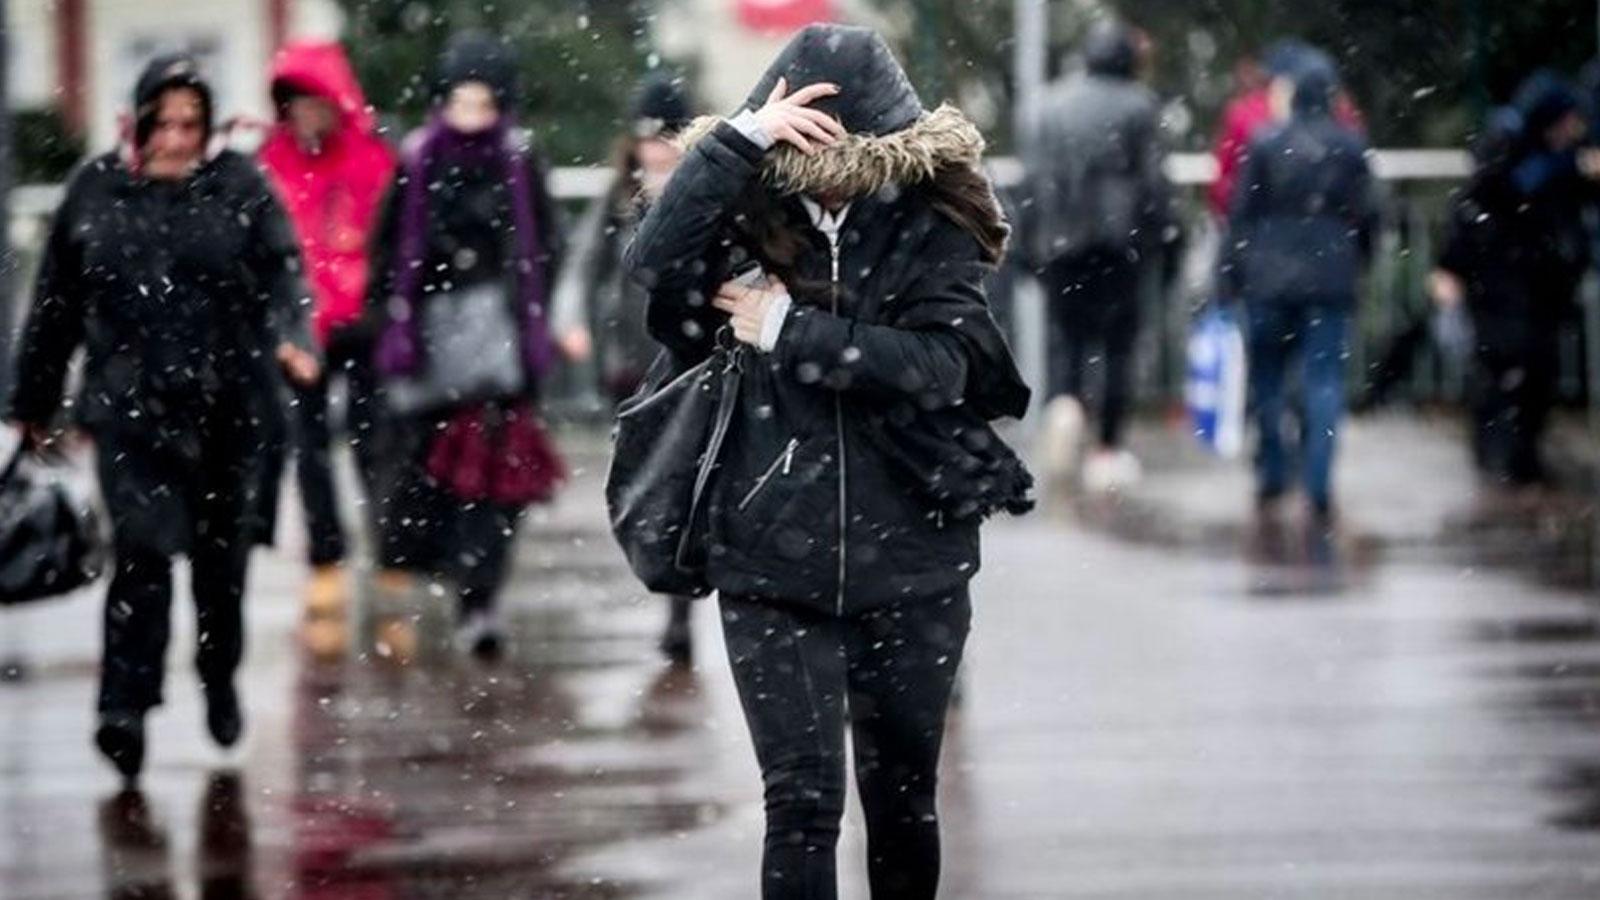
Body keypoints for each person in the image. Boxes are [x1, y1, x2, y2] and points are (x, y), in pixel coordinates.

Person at [623, 24, 1032, 899]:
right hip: (770, 553)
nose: (835, 176)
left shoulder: (931, 219)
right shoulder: (744, 207)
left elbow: (939, 366)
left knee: (901, 804)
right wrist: (739, 141)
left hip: (915, 551)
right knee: (802, 807)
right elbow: (651, 264)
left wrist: (792, 332)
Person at [5, 54, 320, 782]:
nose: (177, 139)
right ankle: (124, 707)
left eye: (191, 123)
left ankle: (218, 675)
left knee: (221, 568)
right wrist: (28, 404)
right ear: (139, 122)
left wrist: (294, 339)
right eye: (164, 123)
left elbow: (284, 274)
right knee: (141, 560)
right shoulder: (96, 189)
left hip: (229, 411)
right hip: (128, 412)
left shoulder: (238, 184)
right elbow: (55, 304)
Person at [367, 32, 566, 662]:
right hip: (426, 352)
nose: (472, 115)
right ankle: (454, 581)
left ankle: (480, 599)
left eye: (484, 102)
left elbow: (545, 249)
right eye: (462, 100)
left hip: (501, 353)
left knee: (496, 483)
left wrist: (528, 322)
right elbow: (387, 250)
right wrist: (394, 322)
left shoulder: (518, 160)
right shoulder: (419, 159)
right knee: (430, 479)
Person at [553, 71, 699, 662]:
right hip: (634, 366)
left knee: (685, 484)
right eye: (647, 137)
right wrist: (572, 322)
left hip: (692, 359)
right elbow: (584, 267)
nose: (656, 149)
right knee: (649, 485)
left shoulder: (705, 192)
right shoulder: (618, 201)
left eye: (666, 136)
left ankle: (679, 609)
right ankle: (667, 582)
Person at [258, 40, 397, 657]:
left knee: (375, 445)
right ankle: (327, 557)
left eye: (315, 102)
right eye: (296, 104)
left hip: (360, 326)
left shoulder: (371, 157)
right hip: (302, 333)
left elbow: (389, 241)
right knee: (308, 450)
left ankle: (388, 548)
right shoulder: (271, 162)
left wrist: (373, 305)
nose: (306, 116)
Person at [1020, 18, 1181, 492]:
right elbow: (1154, 184)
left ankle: (1066, 406)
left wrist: (1027, 243)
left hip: (1061, 243)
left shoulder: (1050, 105)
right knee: (1117, 347)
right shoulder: (1140, 106)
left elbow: (1032, 181)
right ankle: (1108, 449)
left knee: (1066, 339)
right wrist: (1164, 238)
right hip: (1119, 245)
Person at [1225, 48, 1376, 522]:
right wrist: (1357, 261)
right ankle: (1318, 483)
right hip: (1329, 277)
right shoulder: (1350, 147)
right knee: (1324, 381)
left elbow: (1241, 216)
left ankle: (1273, 474)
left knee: (1267, 379)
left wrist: (1231, 273)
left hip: (1269, 278)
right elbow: (1371, 215)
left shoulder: (1266, 142)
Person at [1432, 71, 1596, 486]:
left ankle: (1516, 459)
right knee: (1502, 370)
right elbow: (1475, 209)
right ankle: (1501, 459)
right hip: (1502, 283)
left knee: (1532, 375)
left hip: (1536, 285)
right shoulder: (1512, 153)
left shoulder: (1555, 159)